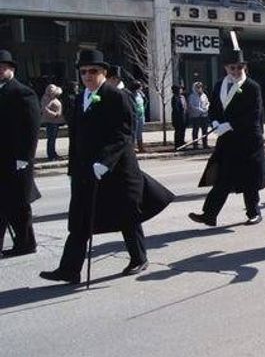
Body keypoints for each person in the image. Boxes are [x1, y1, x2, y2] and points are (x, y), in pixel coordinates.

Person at [41, 49, 174, 284]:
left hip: (116, 170)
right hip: (85, 171)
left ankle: (138, 258)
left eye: (93, 71)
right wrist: (74, 169)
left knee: (127, 216)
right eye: (83, 72)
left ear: (103, 72)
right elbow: (77, 136)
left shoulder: (117, 96)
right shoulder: (81, 98)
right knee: (80, 220)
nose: (88, 76)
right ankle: (69, 269)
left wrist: (105, 162)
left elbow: (123, 134)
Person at [190, 48, 265, 227]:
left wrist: (230, 124)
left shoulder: (252, 87)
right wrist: (214, 122)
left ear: (244, 67)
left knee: (249, 179)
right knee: (223, 179)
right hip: (227, 141)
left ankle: (254, 213)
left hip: (249, 139)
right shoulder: (220, 85)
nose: (235, 71)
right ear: (226, 68)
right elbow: (213, 108)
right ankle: (209, 215)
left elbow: (253, 114)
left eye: (239, 68)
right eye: (232, 68)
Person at [0, 50, 41, 258]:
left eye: (2, 67)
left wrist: (25, 156)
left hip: (17, 159)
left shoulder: (22, 92)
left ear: (11, 69)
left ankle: (26, 243)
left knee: (18, 204)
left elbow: (32, 127)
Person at [41, 84, 65, 160]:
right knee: (51, 139)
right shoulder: (46, 98)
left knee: (53, 139)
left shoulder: (53, 98)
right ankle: (51, 155)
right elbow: (45, 110)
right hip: (51, 121)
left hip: (55, 122)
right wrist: (55, 115)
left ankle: (53, 153)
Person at [187, 81, 210, 149]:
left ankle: (205, 144)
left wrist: (206, 108)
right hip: (196, 116)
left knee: (205, 130)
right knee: (195, 130)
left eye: (200, 87)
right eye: (198, 87)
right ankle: (195, 145)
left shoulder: (204, 95)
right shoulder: (192, 96)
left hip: (204, 115)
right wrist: (199, 110)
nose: (199, 89)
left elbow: (207, 102)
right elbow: (191, 105)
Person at [131, 81, 147, 153]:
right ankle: (132, 148)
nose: (141, 87)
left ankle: (141, 147)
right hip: (135, 116)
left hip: (141, 115)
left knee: (139, 132)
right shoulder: (131, 95)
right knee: (134, 132)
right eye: (140, 86)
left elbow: (145, 101)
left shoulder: (140, 94)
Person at [171, 84, 187, 150]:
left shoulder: (183, 97)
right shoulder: (175, 98)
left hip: (184, 116)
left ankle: (182, 143)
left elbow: (185, 106)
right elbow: (176, 108)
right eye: (180, 89)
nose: (181, 90)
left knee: (183, 131)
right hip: (177, 117)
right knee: (178, 131)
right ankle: (177, 145)